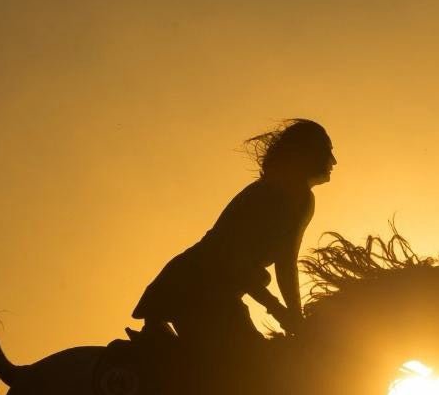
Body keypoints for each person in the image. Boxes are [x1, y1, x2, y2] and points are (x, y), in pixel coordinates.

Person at [132, 119, 336, 349]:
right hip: (192, 290)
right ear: (306, 154)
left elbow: (286, 265)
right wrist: (280, 311)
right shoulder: (268, 196)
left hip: (216, 294)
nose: (333, 161)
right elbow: (234, 263)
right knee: (245, 365)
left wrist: (295, 318)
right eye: (327, 151)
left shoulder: (301, 200)